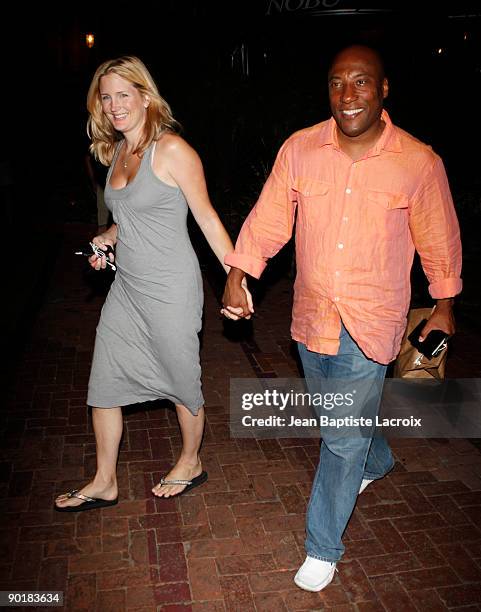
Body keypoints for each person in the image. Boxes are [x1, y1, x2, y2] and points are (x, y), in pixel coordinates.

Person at [222, 45, 462, 591]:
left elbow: (439, 239)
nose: (347, 95)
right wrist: (240, 272)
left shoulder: (418, 162)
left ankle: (322, 547)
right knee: (340, 420)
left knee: (339, 438)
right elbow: (268, 220)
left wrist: (444, 305)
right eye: (336, 83)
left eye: (360, 83)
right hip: (313, 316)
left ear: (383, 90)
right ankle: (376, 461)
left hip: (372, 318)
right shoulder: (301, 149)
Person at [55, 55, 251, 511]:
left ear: (145, 96)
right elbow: (129, 219)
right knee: (104, 378)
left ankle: (190, 461)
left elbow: (207, 219)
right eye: (106, 97)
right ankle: (105, 479)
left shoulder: (173, 151)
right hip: (128, 290)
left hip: (170, 289)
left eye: (124, 94)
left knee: (182, 380)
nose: (114, 105)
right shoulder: (117, 152)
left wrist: (236, 279)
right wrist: (106, 238)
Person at [84, 151, 110, 233]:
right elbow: (87, 158)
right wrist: (93, 181)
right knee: (103, 219)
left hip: (117, 180)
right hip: (102, 180)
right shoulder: (99, 142)